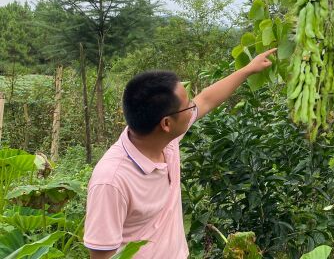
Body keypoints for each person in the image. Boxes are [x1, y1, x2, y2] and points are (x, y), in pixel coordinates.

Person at [83, 48, 277, 259]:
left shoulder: (165, 139)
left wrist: (248, 70)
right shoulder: (111, 181)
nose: (193, 108)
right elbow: (100, 255)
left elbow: (206, 100)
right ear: (166, 123)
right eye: (187, 106)